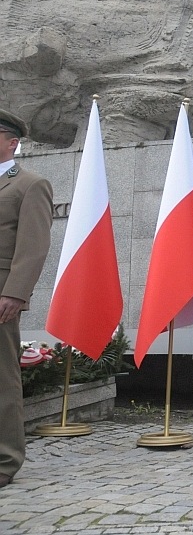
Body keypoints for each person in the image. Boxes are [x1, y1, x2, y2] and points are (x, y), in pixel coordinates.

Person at [0, 109, 54, 489]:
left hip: (1, 293)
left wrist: (15, 293)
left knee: (2, 379)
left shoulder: (30, 184)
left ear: (11, 141)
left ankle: (5, 459)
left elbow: (33, 245)